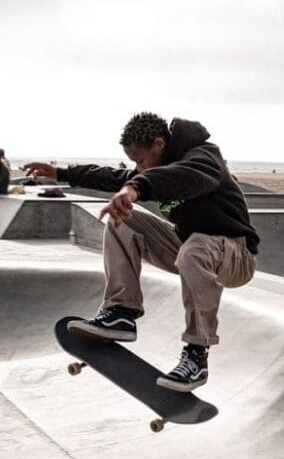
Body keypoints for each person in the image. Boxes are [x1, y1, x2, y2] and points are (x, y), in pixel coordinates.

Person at [22, 112, 259, 392]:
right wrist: (63, 173)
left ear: (159, 144)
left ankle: (197, 354)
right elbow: (116, 177)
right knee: (124, 221)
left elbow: (184, 176)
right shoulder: (154, 168)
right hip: (189, 248)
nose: (140, 169)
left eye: (141, 160)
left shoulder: (204, 157)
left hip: (236, 256)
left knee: (196, 248)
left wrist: (136, 188)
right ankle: (122, 311)